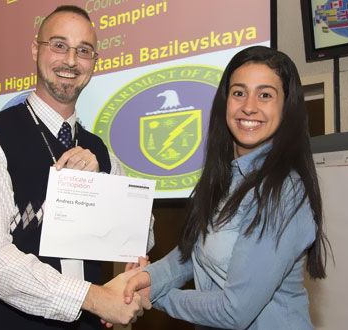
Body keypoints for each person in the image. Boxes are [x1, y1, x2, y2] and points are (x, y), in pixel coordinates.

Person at [0, 5, 153, 330]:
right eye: (59, 45)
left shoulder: (101, 153)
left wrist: (103, 186)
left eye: (84, 50)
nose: (71, 60)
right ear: (36, 49)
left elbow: (144, 235)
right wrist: (92, 298)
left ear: (95, 62)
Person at [123, 46, 330, 329]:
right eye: (239, 92)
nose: (249, 106)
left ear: (286, 107)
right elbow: (192, 255)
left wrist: (155, 295)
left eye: (265, 95)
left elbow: (235, 310)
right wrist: (144, 278)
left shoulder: (283, 191)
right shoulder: (224, 178)